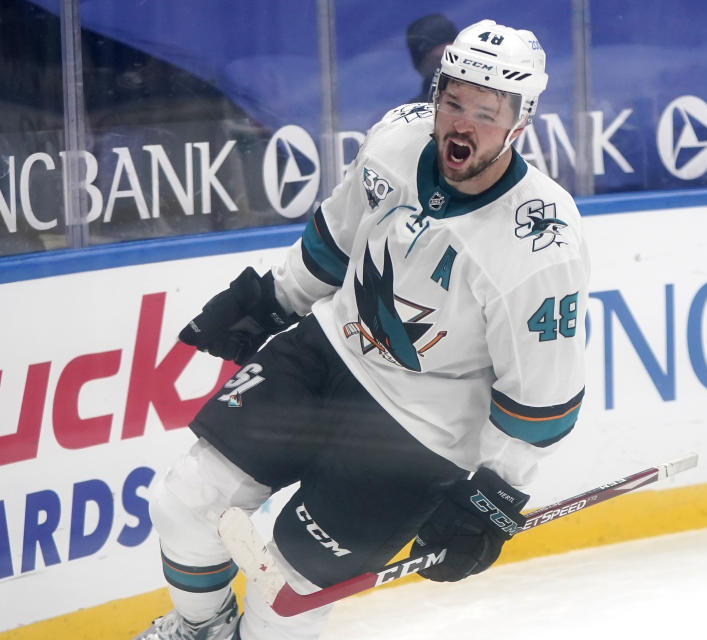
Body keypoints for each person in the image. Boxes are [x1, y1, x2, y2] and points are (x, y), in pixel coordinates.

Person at [135, 19, 589, 640]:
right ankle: (202, 630)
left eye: (486, 113)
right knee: (186, 499)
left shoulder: (540, 241)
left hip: (421, 429)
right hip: (330, 352)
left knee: (289, 593)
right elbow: (334, 241)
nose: (462, 124)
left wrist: (491, 497)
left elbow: (541, 402)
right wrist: (274, 300)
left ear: (520, 121)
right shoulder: (397, 139)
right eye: (452, 103)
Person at [404, 13, 457, 103]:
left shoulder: (487, 95)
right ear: (420, 68)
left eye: (455, 57)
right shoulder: (411, 114)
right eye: (440, 62)